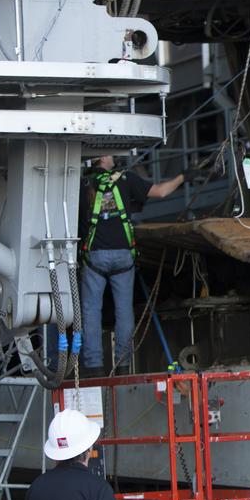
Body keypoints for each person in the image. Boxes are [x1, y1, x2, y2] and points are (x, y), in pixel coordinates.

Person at [78, 155, 184, 376]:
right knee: (124, 311)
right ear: (104, 158)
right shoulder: (126, 179)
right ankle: (123, 366)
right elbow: (162, 191)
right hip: (123, 256)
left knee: (91, 312)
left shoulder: (84, 184)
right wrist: (184, 176)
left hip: (95, 255)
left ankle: (94, 367)